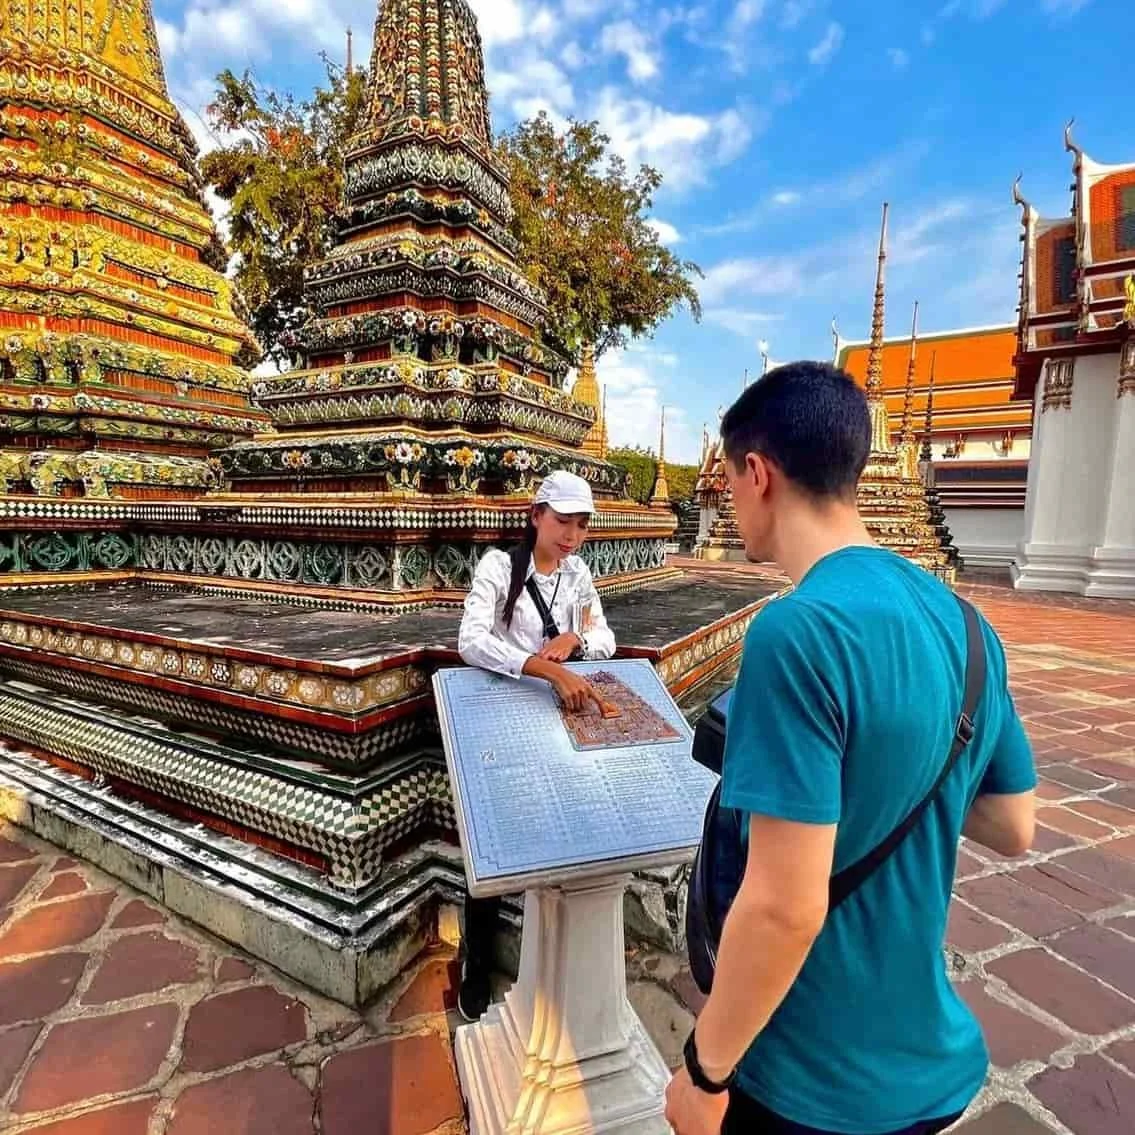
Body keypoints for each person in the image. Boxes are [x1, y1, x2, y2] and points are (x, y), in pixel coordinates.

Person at [665, 362, 1037, 1135]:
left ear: (757, 474)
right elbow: (1011, 824)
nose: (730, 506)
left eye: (730, 484)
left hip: (807, 1076)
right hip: (926, 1063)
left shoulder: (796, 631)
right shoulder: (969, 628)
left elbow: (782, 906)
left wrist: (703, 1072)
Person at [455, 469, 614, 1021]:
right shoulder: (500, 568)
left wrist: (576, 639)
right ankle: (475, 958)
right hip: (504, 710)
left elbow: (605, 635)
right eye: (562, 522)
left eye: (581, 525)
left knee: (550, 824)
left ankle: (550, 954)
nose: (571, 535)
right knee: (493, 834)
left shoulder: (576, 576)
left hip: (554, 716)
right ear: (535, 516)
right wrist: (541, 666)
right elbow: (471, 640)